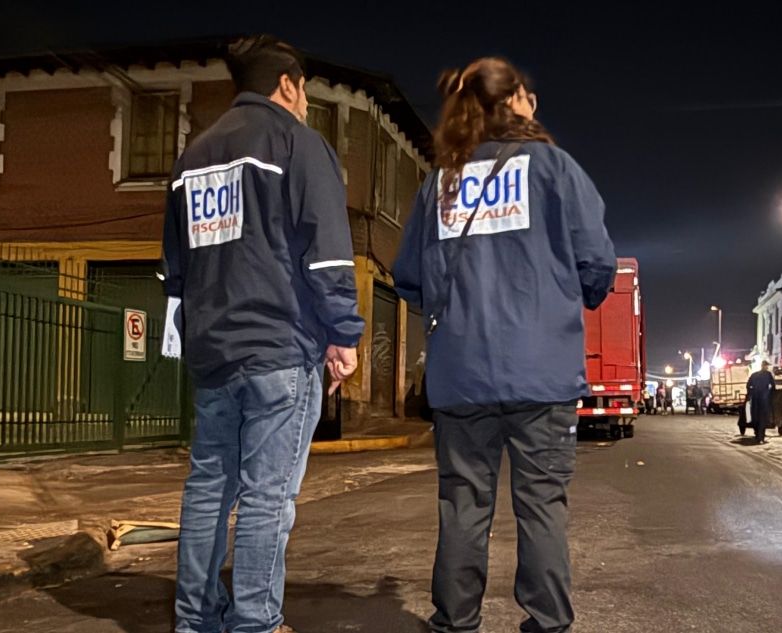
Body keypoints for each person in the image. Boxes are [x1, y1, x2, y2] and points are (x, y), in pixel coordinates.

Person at [394, 57, 616, 633]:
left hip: (461, 376)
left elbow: (409, 277)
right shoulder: (555, 170)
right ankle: (546, 623)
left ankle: (455, 621)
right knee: (541, 505)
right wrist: (560, 300)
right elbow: (597, 266)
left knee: (463, 506)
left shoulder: (439, 182)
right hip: (542, 373)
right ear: (518, 100)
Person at [161, 35, 364, 633]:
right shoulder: (297, 143)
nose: (305, 103)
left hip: (213, 350)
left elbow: (176, 266)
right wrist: (344, 333)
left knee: (208, 490)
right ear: (288, 84)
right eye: (305, 93)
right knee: (267, 496)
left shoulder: (193, 155)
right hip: (279, 346)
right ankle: (257, 621)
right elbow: (325, 254)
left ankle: (195, 620)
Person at [746, 361, 776, 443]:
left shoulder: (754, 375)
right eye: (766, 366)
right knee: (763, 418)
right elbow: (773, 386)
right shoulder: (768, 374)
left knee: (755, 417)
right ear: (764, 366)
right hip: (764, 399)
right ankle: (761, 436)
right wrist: (770, 395)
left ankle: (757, 434)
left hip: (755, 399)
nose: (766, 367)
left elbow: (748, 385)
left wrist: (751, 393)